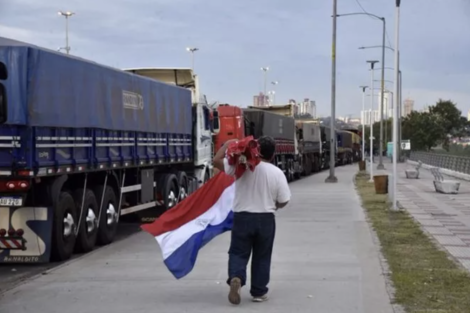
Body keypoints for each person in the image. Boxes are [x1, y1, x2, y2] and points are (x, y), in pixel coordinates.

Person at [213, 136, 291, 305]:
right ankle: (259, 291)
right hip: (266, 218)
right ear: (272, 156)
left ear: (254, 149)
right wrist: (275, 205)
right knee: (262, 256)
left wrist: (227, 144)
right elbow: (284, 200)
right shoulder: (276, 173)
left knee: (238, 252)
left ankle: (236, 277)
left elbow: (216, 161)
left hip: (242, 217)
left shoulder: (241, 167)